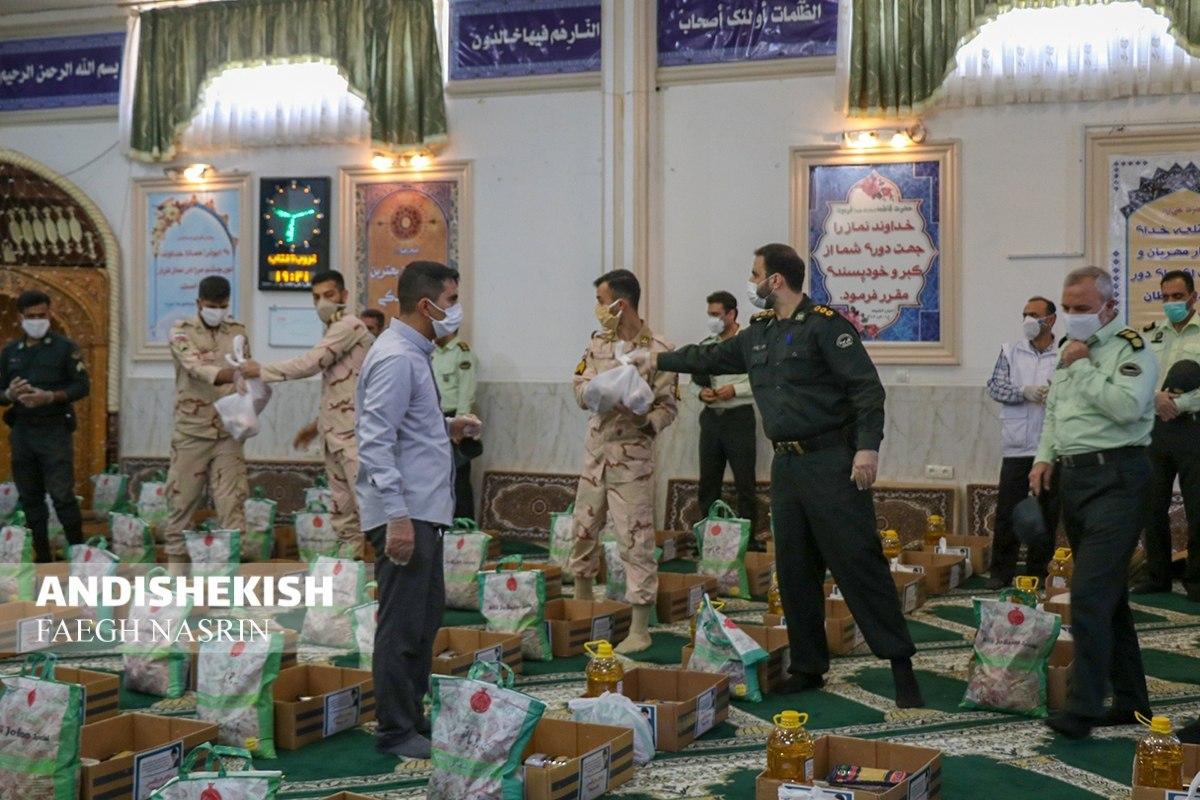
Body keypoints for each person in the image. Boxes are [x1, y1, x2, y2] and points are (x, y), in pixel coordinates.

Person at [640, 244, 923, 707]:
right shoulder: (759, 333)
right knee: (794, 568)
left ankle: (900, 665)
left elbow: (866, 390)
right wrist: (657, 360)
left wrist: (867, 448)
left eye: (755, 274)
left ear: (775, 280)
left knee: (858, 562)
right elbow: (711, 359)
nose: (751, 283)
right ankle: (808, 666)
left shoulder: (826, 327)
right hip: (787, 466)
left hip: (831, 462)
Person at [356, 260, 481, 760]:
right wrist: (398, 517)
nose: (457, 310)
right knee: (402, 625)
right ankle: (394, 729)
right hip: (404, 513)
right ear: (427, 305)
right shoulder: (396, 358)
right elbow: (375, 441)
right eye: (451, 301)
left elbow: (404, 428)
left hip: (423, 510)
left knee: (423, 621)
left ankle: (409, 713)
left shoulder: (413, 353)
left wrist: (447, 428)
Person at [1029, 265, 1156, 738]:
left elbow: (1127, 407)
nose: (1072, 315)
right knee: (1108, 597)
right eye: (1066, 307)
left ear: (1109, 307)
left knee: (1087, 594)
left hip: (1119, 478)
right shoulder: (1068, 347)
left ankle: (1082, 708)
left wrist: (1083, 365)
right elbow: (1056, 410)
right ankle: (1131, 700)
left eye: (1081, 308)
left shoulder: (1130, 348)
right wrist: (1044, 457)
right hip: (1075, 479)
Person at [569, 269, 678, 654]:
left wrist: (645, 419)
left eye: (602, 301)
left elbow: (668, 407)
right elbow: (579, 384)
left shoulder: (660, 349)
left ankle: (639, 628)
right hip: (596, 453)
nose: (598, 309)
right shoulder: (598, 342)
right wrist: (593, 393)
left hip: (632, 458)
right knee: (583, 530)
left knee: (635, 539)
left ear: (621, 303)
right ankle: (583, 610)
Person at [245, 270, 373, 557]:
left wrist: (262, 370)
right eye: (316, 297)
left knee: (370, 509)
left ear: (344, 296)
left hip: (356, 437)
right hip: (335, 435)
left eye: (329, 295)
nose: (322, 303)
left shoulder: (349, 326)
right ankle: (350, 574)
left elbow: (311, 363)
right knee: (343, 515)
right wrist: (316, 426)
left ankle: (391, 577)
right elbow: (340, 390)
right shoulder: (331, 330)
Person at [163, 276, 252, 569]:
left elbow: (247, 369)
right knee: (181, 504)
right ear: (199, 303)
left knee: (232, 505)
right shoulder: (181, 332)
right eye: (212, 305)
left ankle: (230, 582)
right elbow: (196, 367)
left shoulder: (237, 332)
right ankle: (175, 581)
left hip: (228, 433)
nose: (217, 311)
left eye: (222, 306)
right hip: (192, 432)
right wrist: (232, 375)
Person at [0, 290, 89, 562]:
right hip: (23, 432)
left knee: (62, 496)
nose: (37, 321)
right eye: (31, 317)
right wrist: (9, 394)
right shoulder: (10, 353)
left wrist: (50, 396)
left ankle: (79, 554)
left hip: (54, 431)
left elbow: (82, 386)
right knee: (30, 498)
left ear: (50, 314)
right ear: (20, 318)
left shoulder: (65, 348)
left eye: (42, 315)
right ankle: (43, 558)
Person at [984, 296, 1061, 589]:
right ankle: (1001, 572)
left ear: (1051, 320)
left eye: (1035, 315)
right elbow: (995, 387)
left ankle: (1039, 572)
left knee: (1047, 513)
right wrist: (1023, 392)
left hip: (1051, 448)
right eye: (1025, 314)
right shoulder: (1011, 351)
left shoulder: (1064, 351)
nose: (1028, 320)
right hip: (1017, 445)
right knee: (1008, 512)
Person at [1137, 270, 1200, 599]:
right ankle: (1157, 576)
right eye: (1165, 297)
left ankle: (1196, 581)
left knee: (1197, 507)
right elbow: (1135, 379)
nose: (1171, 302)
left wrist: (1179, 403)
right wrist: (1156, 400)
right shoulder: (1150, 336)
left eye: (1178, 296)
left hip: (1193, 427)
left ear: (1193, 297)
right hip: (1155, 429)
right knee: (1152, 505)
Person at [695, 291, 758, 535]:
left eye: (717, 314)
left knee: (745, 483)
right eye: (709, 314)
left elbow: (760, 382)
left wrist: (735, 390)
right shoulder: (706, 346)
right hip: (711, 420)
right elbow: (694, 383)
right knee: (708, 483)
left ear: (731, 314)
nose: (712, 320)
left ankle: (748, 540)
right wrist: (701, 394)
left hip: (739, 418)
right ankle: (708, 538)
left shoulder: (749, 344)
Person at [433, 331, 479, 520]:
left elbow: (466, 391)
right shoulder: (432, 352)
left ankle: (464, 525)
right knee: (436, 477)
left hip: (455, 418)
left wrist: (460, 425)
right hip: (434, 419)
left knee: (458, 476)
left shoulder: (462, 352)